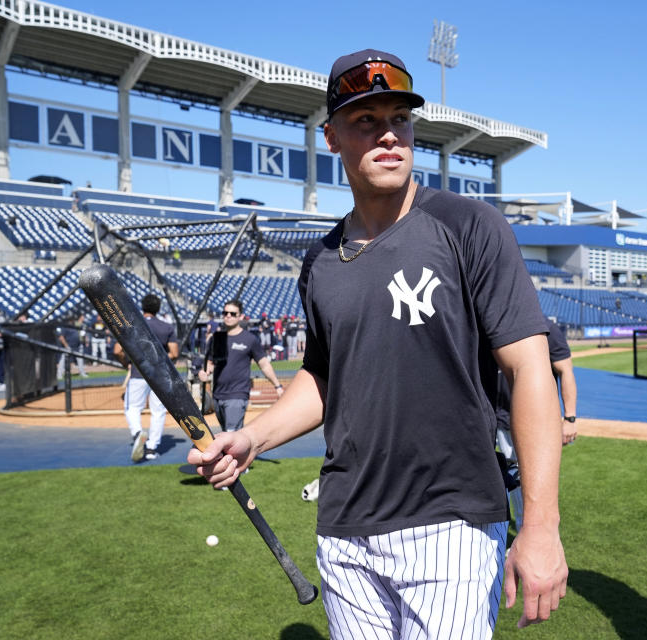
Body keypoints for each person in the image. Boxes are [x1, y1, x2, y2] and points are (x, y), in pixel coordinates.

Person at [189, 49, 568, 638]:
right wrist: (253, 437)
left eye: (400, 119)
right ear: (332, 137)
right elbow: (323, 377)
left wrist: (541, 524)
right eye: (366, 120)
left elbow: (530, 370)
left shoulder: (469, 225)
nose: (388, 135)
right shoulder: (319, 261)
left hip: (452, 522)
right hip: (344, 527)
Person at [496, 317, 578, 531]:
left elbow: (565, 370)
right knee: (505, 480)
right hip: (492, 416)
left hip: (528, 418)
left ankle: (530, 534)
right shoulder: (491, 323)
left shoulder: (546, 328)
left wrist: (569, 418)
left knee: (526, 479)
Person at [198, 300, 284, 432]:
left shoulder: (249, 339)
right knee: (228, 434)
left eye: (232, 313)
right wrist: (205, 373)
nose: (228, 316)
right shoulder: (217, 338)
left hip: (237, 394)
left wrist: (277, 386)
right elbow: (210, 363)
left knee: (231, 435)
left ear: (240, 316)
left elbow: (264, 364)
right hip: (218, 394)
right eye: (225, 313)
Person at [115, 293, 179, 463]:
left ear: (142, 307)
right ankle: (151, 448)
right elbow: (174, 353)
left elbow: (117, 351)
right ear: (158, 309)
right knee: (158, 411)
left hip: (138, 372)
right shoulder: (167, 327)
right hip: (160, 374)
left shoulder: (131, 325)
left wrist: (126, 362)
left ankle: (137, 433)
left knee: (132, 408)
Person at [56, 314, 88, 378]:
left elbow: (81, 334)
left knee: (80, 360)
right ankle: (59, 375)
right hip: (68, 346)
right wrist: (66, 346)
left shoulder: (74, 326)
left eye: (72, 319)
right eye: (71, 319)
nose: (72, 320)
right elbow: (61, 337)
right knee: (62, 360)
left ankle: (82, 373)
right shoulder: (65, 327)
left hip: (77, 346)